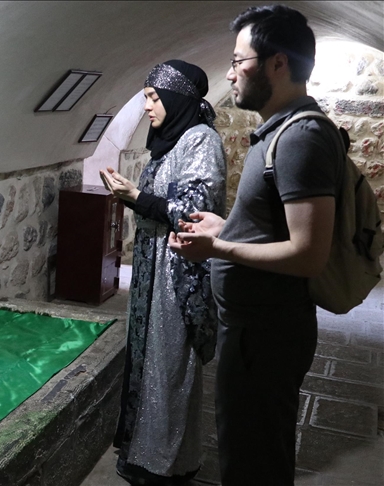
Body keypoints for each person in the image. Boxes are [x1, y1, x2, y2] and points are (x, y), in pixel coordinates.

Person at [167, 6, 341, 485]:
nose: (230, 74)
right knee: (249, 450)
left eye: (238, 61)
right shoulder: (281, 131)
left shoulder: (300, 137)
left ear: (277, 63)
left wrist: (217, 248)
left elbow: (308, 254)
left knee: (254, 462)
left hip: (266, 334)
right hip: (254, 329)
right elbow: (275, 227)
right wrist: (227, 228)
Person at [100, 59, 226, 485]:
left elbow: (193, 213)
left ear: (176, 97)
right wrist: (130, 195)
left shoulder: (200, 140)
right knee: (149, 361)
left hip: (177, 272)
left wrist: (136, 196)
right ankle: (145, 453)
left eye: (154, 98)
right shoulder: (168, 142)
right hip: (153, 267)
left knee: (169, 366)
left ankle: (168, 463)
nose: (147, 107)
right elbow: (158, 201)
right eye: (146, 98)